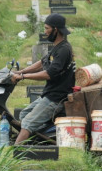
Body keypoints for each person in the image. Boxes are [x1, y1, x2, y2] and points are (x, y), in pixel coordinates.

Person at [11, 13, 75, 145]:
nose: (45, 32)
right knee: (23, 115)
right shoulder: (58, 47)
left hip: (56, 98)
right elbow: (42, 63)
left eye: (47, 28)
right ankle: (36, 145)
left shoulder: (64, 50)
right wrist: (20, 71)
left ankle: (14, 154)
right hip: (49, 94)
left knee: (28, 123)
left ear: (55, 30)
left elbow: (48, 74)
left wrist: (23, 77)